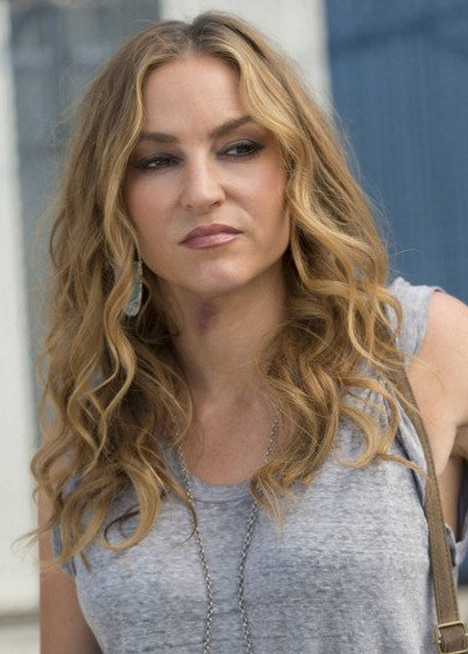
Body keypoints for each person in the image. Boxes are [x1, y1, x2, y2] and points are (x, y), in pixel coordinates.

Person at [33, 11, 468, 654]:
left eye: (239, 148)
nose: (202, 191)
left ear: (294, 165)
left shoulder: (422, 348)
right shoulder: (90, 425)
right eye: (157, 160)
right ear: (113, 199)